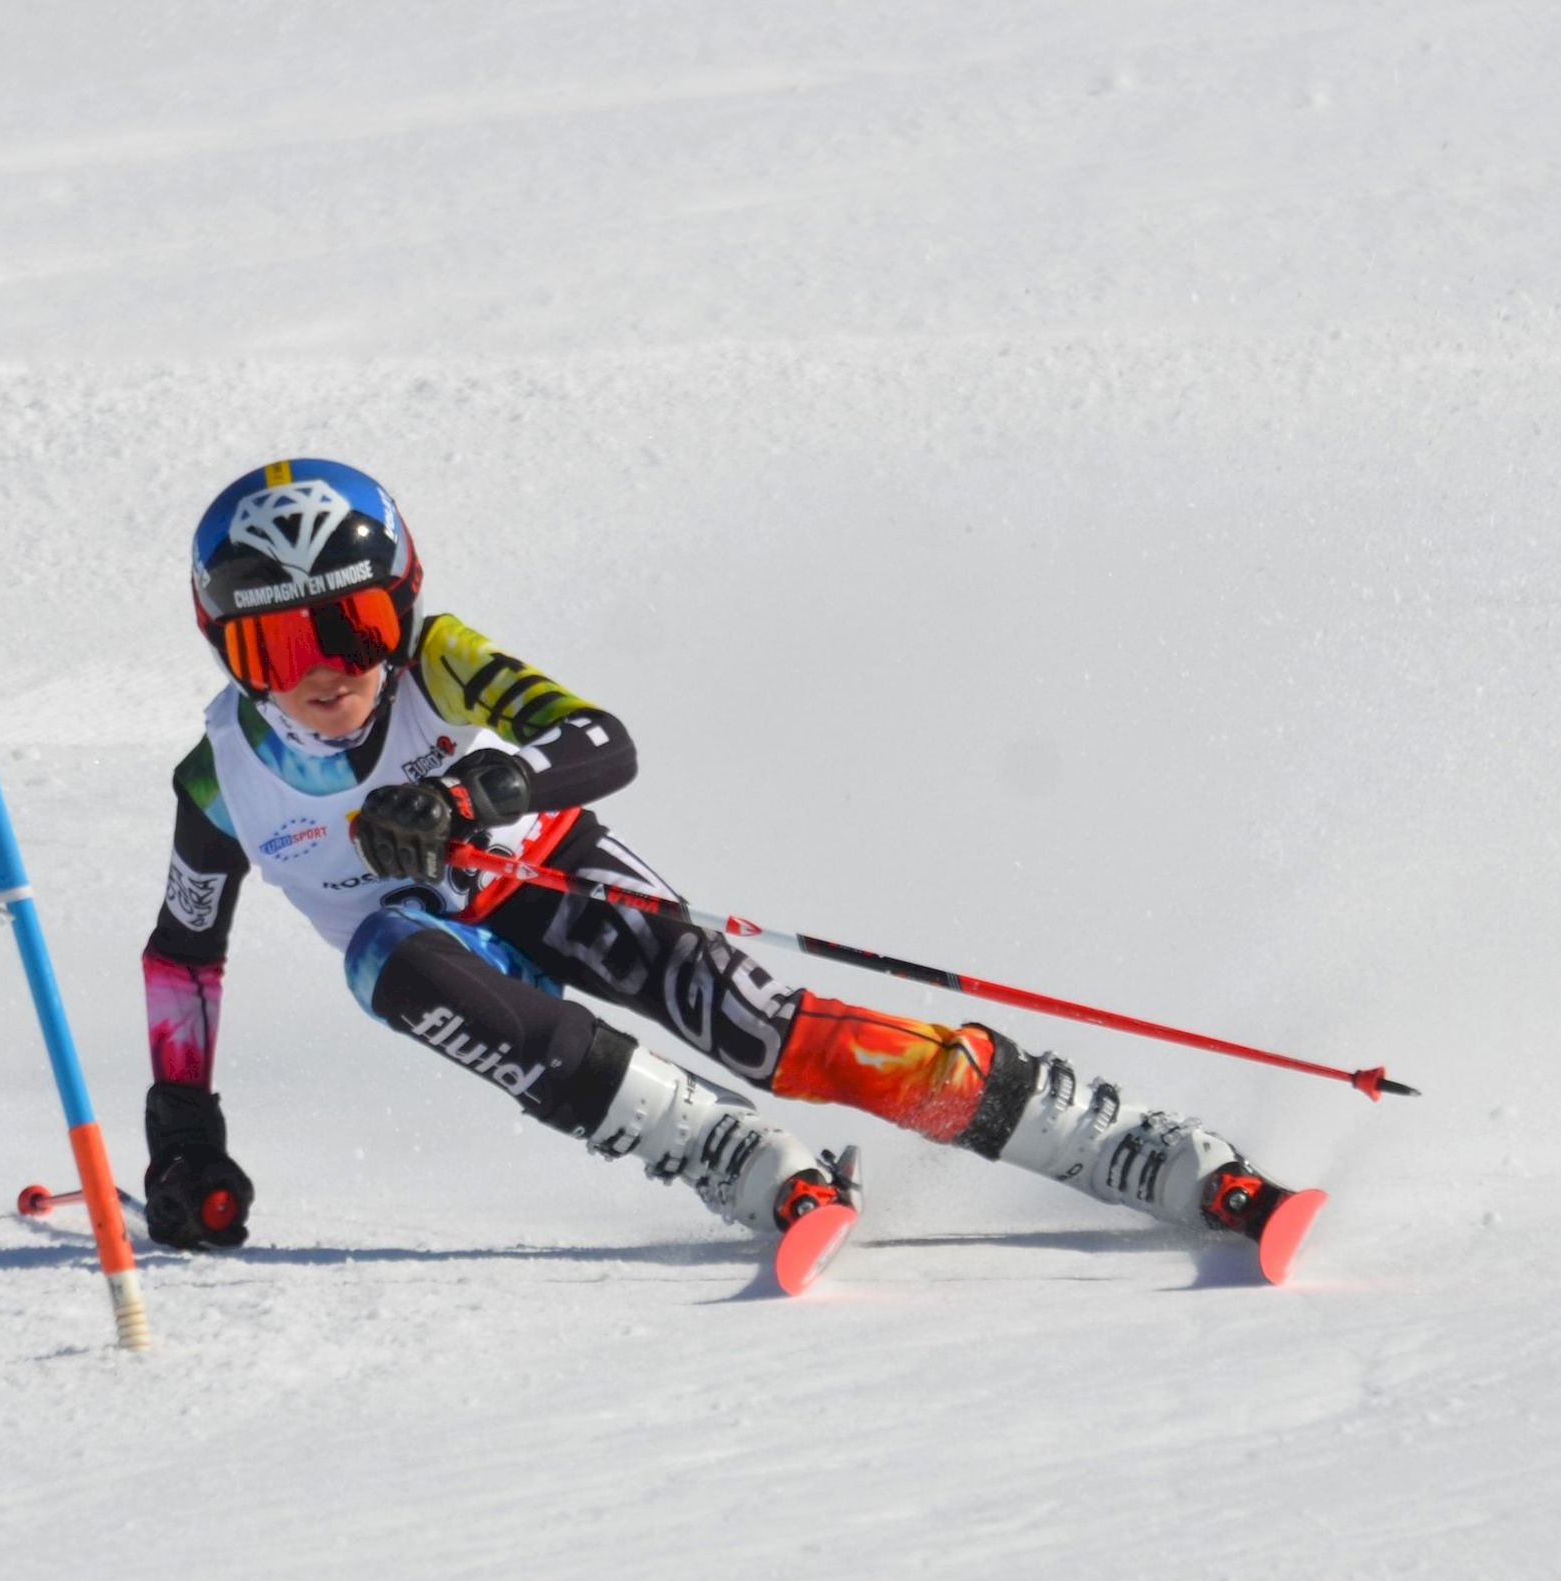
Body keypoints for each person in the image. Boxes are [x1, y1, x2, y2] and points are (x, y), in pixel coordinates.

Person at [138, 458, 1305, 1268]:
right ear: (226, 648)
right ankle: (727, 1155)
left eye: (356, 626)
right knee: (391, 959)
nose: (327, 667)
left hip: (547, 873)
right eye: (279, 641)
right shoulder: (221, 780)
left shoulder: (439, 663)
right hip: (436, 954)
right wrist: (183, 1131)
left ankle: (1127, 1148)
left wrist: (469, 793)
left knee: (772, 1036)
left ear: (403, 611)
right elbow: (184, 953)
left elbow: (598, 740)